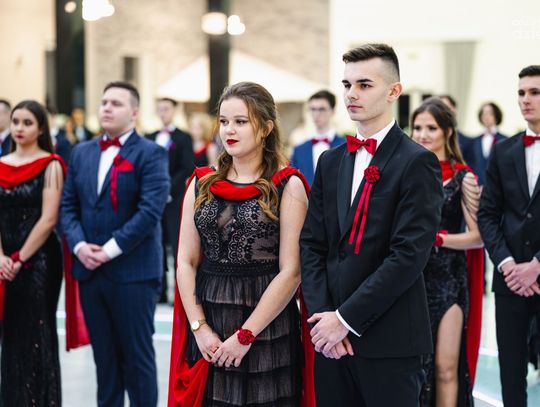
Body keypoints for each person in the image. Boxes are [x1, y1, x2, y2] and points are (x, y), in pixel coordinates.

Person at [300, 43, 444, 406]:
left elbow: (408, 256)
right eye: (347, 85)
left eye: (364, 85)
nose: (351, 94)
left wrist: (345, 319)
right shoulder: (331, 161)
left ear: (394, 91)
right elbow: (313, 244)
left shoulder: (417, 162)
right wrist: (322, 321)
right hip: (329, 341)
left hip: (389, 341)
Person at [168, 81, 310, 407]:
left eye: (241, 121)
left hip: (266, 328)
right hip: (208, 323)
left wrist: (246, 335)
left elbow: (292, 271)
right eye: (223, 121)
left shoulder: (288, 186)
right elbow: (185, 262)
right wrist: (199, 328)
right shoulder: (200, 183)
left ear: (266, 128)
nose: (229, 130)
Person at [61, 81, 170, 407]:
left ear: (134, 113)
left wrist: (108, 250)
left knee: (137, 361)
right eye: (104, 101)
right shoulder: (82, 152)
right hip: (91, 273)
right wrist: (80, 246)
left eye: (116, 103)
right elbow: (68, 207)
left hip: (133, 273)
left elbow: (149, 211)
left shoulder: (151, 153)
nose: (106, 107)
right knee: (104, 362)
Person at [411, 97, 483, 406]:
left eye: (431, 128)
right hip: (410, 279)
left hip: (449, 280)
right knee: (415, 369)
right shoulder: (406, 175)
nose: (422, 134)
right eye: (417, 128)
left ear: (448, 132)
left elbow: (478, 237)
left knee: (445, 367)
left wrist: (439, 239)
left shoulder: (464, 177)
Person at [478, 65, 540, 407]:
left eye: (535, 92)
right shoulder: (503, 152)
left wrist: (537, 265)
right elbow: (487, 214)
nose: (525, 99)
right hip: (510, 281)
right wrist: (507, 264)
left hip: (537, 271)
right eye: (521, 92)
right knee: (511, 376)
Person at [0, 100, 64, 406]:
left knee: (38, 331)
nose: (19, 128)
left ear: (40, 129)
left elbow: (49, 219)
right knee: (11, 334)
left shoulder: (51, 165)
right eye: (16, 122)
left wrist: (19, 258)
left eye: (27, 123)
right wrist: (1, 257)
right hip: (4, 261)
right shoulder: (1, 163)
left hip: (39, 261)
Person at [147, 97, 194, 303]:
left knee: (177, 245)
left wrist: (168, 188)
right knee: (156, 243)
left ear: (174, 111)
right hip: (153, 199)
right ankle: (160, 291)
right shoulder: (150, 136)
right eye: (160, 109)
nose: (163, 112)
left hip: (174, 199)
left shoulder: (183, 137)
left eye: (166, 109)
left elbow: (186, 166)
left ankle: (178, 292)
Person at [290, 90, 345, 185]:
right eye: (313, 109)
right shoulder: (299, 150)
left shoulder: (346, 146)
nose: (316, 114)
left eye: (322, 109)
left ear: (333, 111)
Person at [464, 102, 508, 186]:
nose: (486, 116)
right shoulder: (473, 142)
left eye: (490, 113)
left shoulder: (505, 141)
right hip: (476, 187)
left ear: (496, 115)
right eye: (483, 114)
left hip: (496, 187)